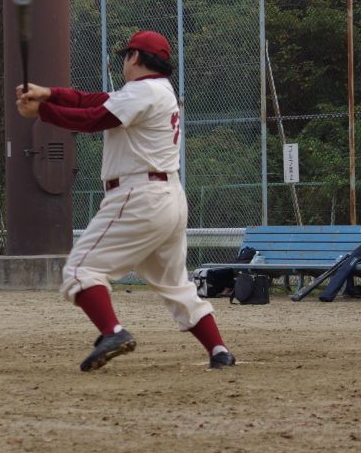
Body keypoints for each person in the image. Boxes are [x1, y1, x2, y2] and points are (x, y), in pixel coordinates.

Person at [15, 30, 236, 371]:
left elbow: (92, 119)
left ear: (135, 57)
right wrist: (49, 94)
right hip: (168, 198)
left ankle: (113, 332)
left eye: (126, 56)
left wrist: (43, 112)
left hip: (139, 197)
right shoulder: (158, 90)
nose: (124, 62)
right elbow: (91, 100)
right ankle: (218, 350)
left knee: (80, 270)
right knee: (175, 285)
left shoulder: (142, 92)